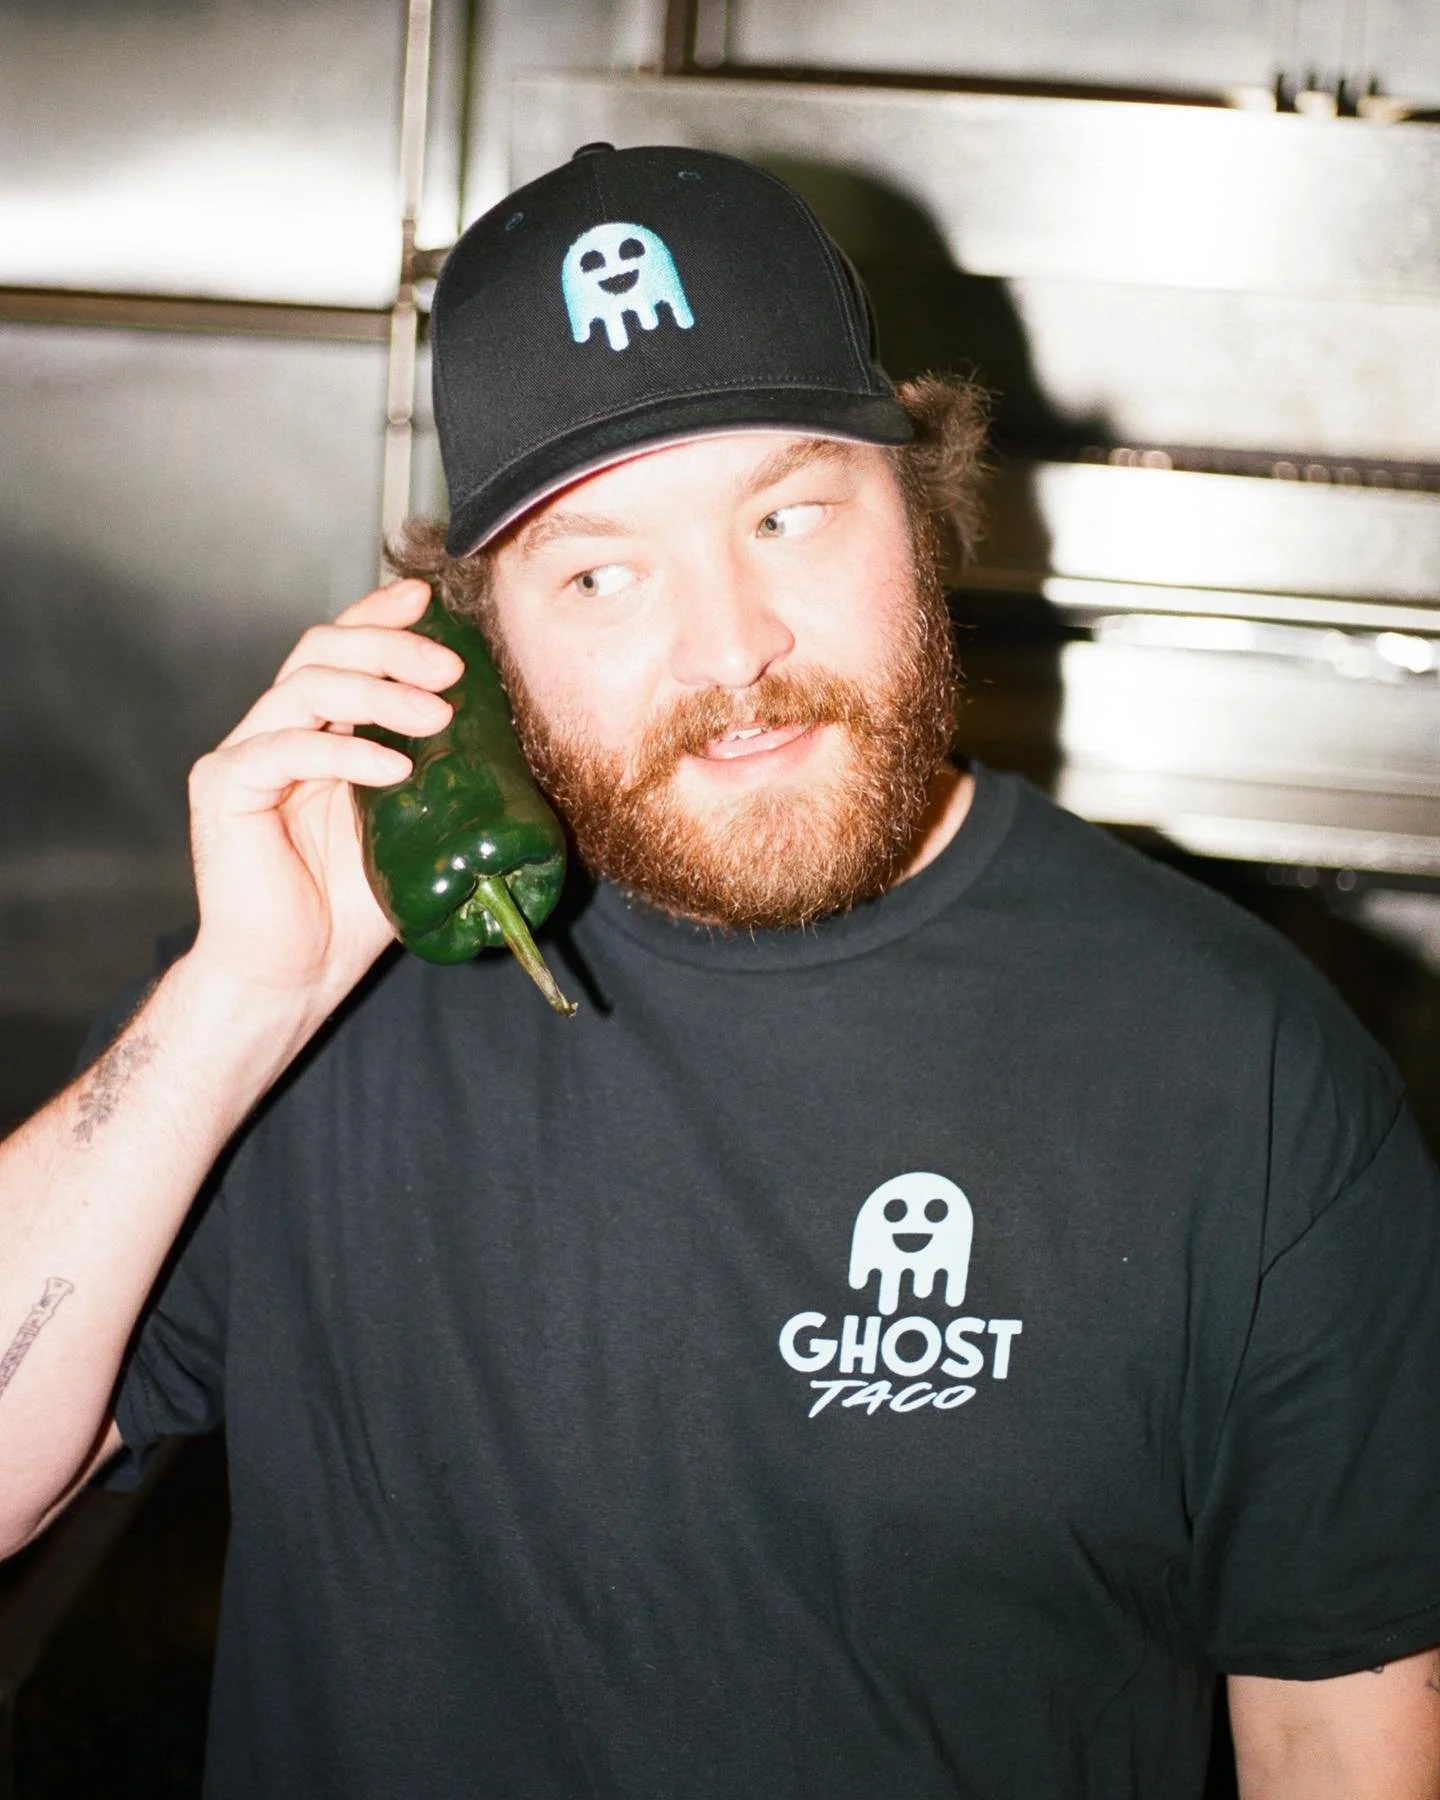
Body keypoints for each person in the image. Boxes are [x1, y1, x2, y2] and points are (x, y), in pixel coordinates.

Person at [0, 142, 1437, 1800]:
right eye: (601, 570)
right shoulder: (318, 1005)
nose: (730, 644)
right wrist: (231, 1010)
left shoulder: (1238, 1066)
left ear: (923, 496)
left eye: (788, 510)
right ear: (467, 636)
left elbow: (1338, 1727)